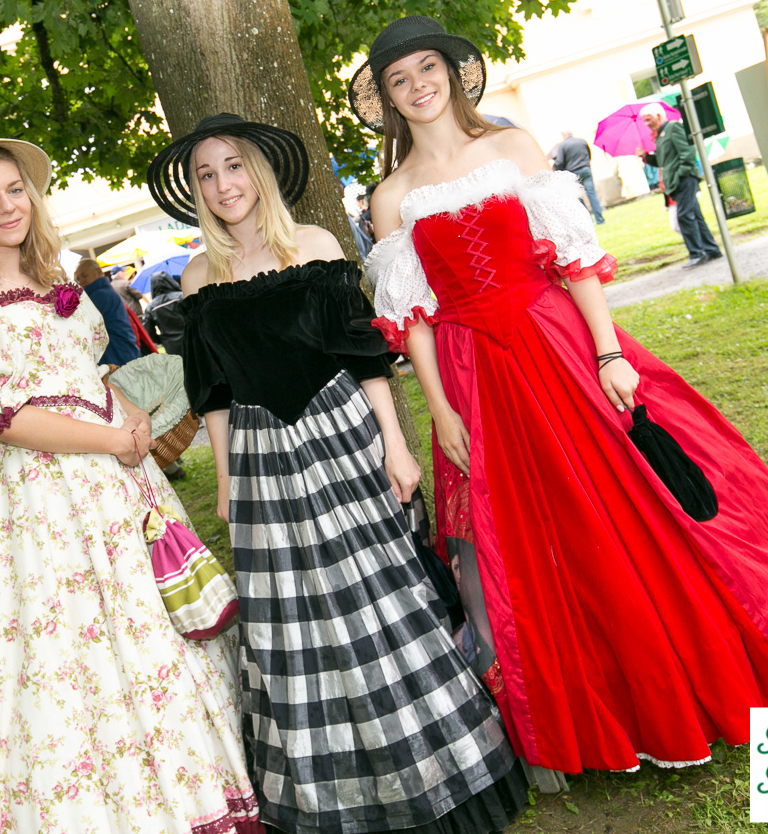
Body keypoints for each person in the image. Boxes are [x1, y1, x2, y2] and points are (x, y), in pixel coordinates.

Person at [352, 15, 768, 776]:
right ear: (386, 97)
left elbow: (575, 257)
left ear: (450, 71)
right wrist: (441, 409)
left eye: (426, 69)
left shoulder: (512, 147)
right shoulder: (391, 196)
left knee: (634, 501)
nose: (417, 86)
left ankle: (707, 668)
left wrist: (608, 351)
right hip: (475, 374)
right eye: (398, 79)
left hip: (558, 343)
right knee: (537, 535)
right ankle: (603, 701)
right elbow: (411, 319)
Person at [152, 113, 530, 833]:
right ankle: (343, 795)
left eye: (234, 166)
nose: (223, 184)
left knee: (381, 597)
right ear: (197, 191)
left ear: (259, 172)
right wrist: (227, 484)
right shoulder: (198, 277)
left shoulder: (316, 245)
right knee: (293, 617)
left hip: (341, 433)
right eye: (207, 174)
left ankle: (440, 770)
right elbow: (214, 394)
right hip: (260, 459)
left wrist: (395, 445)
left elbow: (364, 356)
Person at [0, 126, 258, 833]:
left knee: (150, 632)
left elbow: (85, 373)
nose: (7, 206)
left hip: (119, 484)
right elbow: (3, 417)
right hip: (46, 498)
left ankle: (195, 792)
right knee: (75, 649)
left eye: (15, 190)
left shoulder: (55, 279)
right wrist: (112, 441)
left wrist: (129, 409)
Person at [636, 103, 722, 266]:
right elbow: (663, 161)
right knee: (695, 216)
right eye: (644, 121)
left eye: (648, 119)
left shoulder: (673, 128)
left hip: (684, 179)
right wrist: (645, 157)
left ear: (658, 116)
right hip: (676, 181)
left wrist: (679, 175)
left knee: (684, 216)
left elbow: (687, 153)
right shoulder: (660, 135)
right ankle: (711, 249)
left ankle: (697, 253)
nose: (646, 124)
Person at [72, 257, 140, 366]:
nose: (81, 281)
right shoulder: (103, 292)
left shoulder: (99, 295)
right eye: (78, 279)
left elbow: (83, 327)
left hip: (116, 354)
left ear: (98, 271)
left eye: (84, 275)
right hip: (123, 351)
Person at [548, 129, 605, 224]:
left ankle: (587, 221)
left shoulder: (563, 146)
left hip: (573, 173)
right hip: (586, 169)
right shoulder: (582, 141)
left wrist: (556, 170)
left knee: (579, 197)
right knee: (591, 194)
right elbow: (589, 154)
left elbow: (560, 162)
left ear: (563, 135)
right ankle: (600, 220)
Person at [141, 270, 186, 355]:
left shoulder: (151, 307)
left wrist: (160, 340)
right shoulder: (182, 296)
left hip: (171, 345)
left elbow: (147, 330)